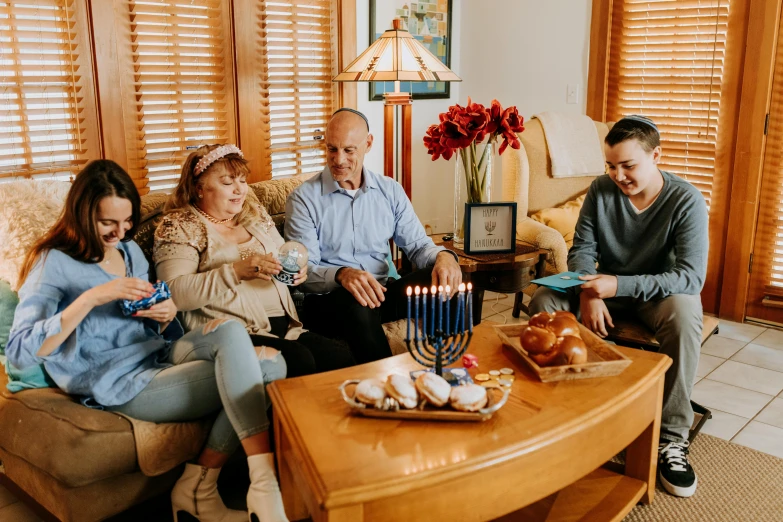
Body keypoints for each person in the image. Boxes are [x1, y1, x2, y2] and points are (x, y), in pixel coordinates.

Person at [6, 160, 289, 522]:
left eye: (126, 223)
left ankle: (203, 487)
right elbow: (21, 351)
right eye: (108, 223)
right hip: (121, 379)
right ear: (81, 213)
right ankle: (257, 488)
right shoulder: (53, 263)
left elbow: (152, 323)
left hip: (160, 355)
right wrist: (92, 297)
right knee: (262, 370)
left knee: (258, 350)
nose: (119, 233)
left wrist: (165, 314)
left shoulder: (129, 252)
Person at [528, 115, 708, 498]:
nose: (618, 175)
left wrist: (614, 285)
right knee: (544, 300)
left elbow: (690, 277)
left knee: (687, 310)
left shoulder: (686, 200)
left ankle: (672, 437)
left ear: (656, 155)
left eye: (629, 165)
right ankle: (568, 406)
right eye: (611, 165)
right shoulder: (600, 190)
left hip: (654, 296)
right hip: (601, 289)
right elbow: (583, 250)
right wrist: (589, 292)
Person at [154, 144, 355, 377]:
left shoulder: (253, 214)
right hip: (232, 335)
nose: (240, 190)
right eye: (228, 183)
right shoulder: (180, 225)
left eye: (241, 180)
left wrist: (297, 270)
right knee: (299, 361)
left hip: (287, 329)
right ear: (199, 188)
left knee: (341, 359)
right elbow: (172, 293)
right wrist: (235, 272)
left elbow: (285, 254)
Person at [285, 108, 464, 363]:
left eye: (349, 150)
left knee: (449, 279)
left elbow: (418, 246)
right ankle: (386, 389)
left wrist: (445, 257)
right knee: (357, 304)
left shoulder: (389, 190)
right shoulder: (303, 199)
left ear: (368, 144)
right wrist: (341, 274)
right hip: (332, 302)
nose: (338, 160)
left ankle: (452, 373)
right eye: (331, 149)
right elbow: (305, 273)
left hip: (382, 294)